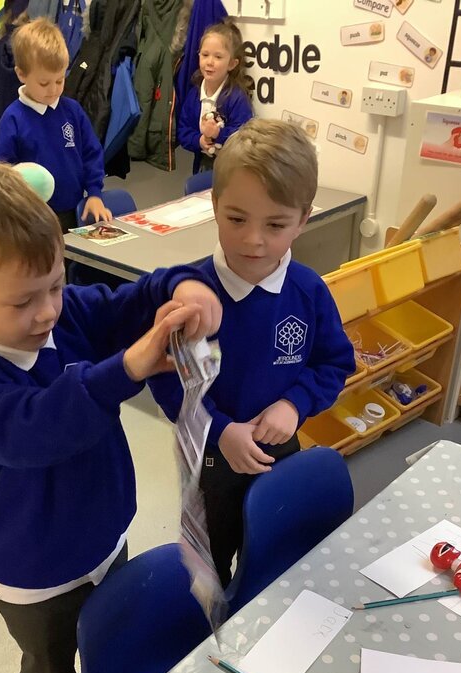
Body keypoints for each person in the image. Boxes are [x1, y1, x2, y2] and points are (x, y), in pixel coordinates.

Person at [0, 161, 223, 673]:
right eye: (23, 300)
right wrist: (125, 369)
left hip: (106, 540)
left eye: (56, 286)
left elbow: (133, 297)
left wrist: (185, 288)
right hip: (37, 577)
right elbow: (38, 428)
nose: (47, 312)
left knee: (115, 645)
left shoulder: (66, 313)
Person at [147, 119, 355, 587]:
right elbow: (168, 382)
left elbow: (333, 363)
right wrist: (221, 430)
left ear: (303, 220)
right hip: (211, 459)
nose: (253, 240)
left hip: (280, 450)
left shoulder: (308, 292)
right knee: (209, 570)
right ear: (215, 206)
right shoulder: (190, 294)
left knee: (277, 552)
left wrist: (294, 404)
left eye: (275, 225)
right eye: (237, 219)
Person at [0, 17, 111, 232]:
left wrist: (94, 193)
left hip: (74, 211)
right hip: (32, 218)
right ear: (21, 74)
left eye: (60, 80)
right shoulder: (13, 118)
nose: (53, 89)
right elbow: (2, 172)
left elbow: (91, 153)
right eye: (44, 83)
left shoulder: (72, 111)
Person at [176, 20, 255, 176]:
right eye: (205, 55)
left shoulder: (236, 97)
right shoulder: (194, 94)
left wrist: (218, 134)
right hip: (202, 164)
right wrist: (199, 141)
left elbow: (244, 136)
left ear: (232, 64)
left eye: (218, 57)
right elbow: (183, 130)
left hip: (232, 168)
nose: (210, 62)